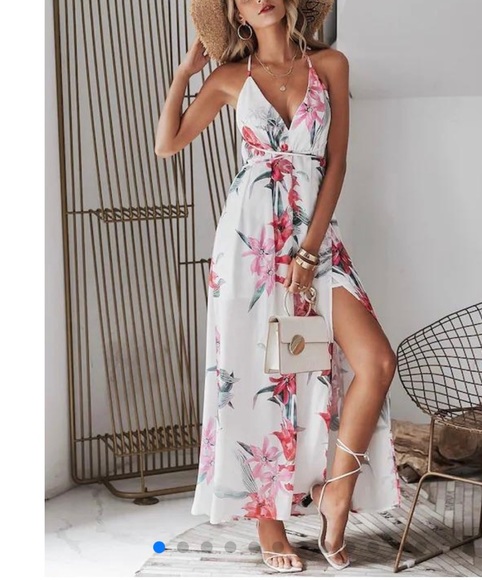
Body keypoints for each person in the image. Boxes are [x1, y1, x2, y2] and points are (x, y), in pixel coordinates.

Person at [155, 0, 401, 572]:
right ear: (237, 14)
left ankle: (336, 491)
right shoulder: (228, 78)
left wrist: (310, 252)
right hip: (249, 245)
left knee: (375, 362)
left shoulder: (330, 66)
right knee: (254, 374)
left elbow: (336, 163)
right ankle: (269, 526)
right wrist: (183, 76)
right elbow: (167, 143)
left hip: (314, 239)